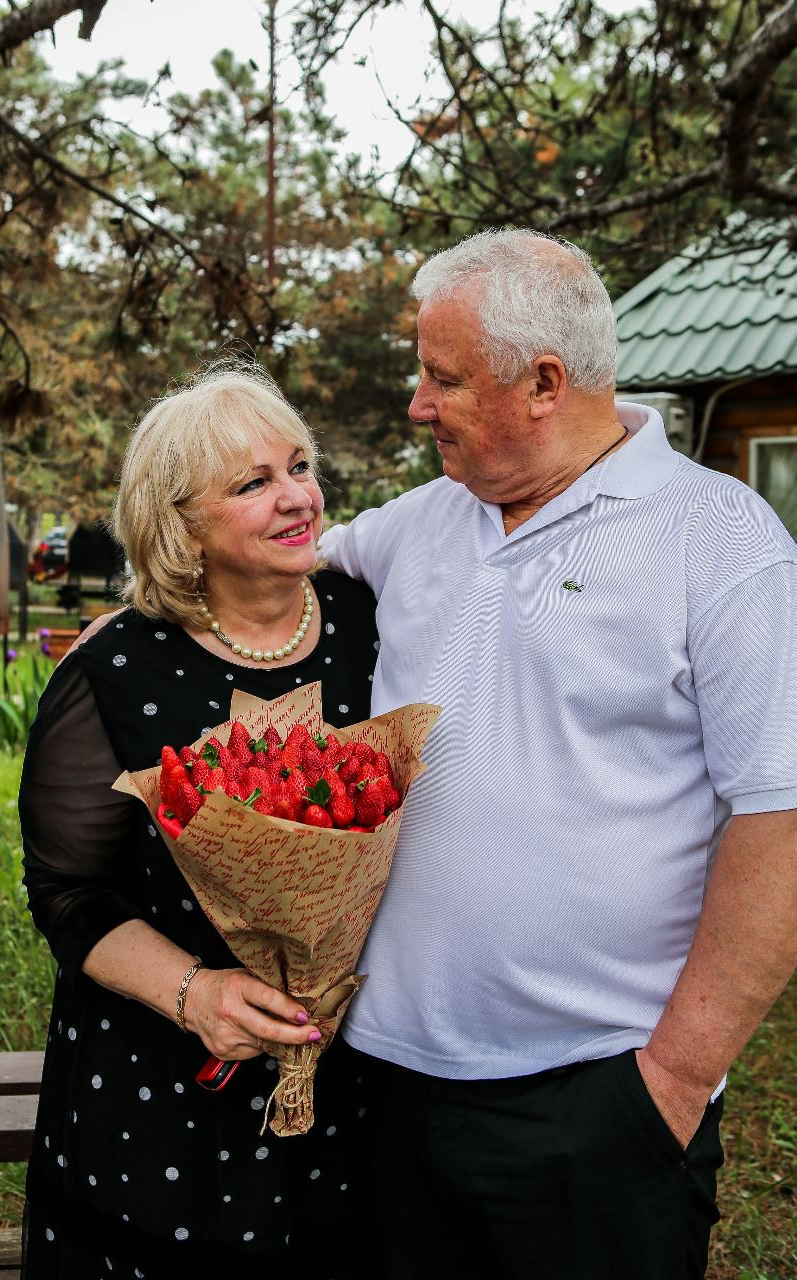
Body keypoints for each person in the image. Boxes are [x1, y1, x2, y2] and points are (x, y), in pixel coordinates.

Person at [318, 228, 797, 1280]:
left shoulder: (720, 540)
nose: (417, 404)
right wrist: (134, 625)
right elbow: (257, 570)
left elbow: (781, 819)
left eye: (442, 377)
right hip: (389, 1081)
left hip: (601, 1098)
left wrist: (672, 1082)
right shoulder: (412, 526)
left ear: (543, 383)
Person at [19, 361, 382, 1280]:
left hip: (357, 1071)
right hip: (159, 1081)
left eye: (299, 466)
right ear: (179, 525)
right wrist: (194, 994)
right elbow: (66, 890)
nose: (297, 497)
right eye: (253, 483)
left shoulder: (374, 622)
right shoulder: (115, 668)